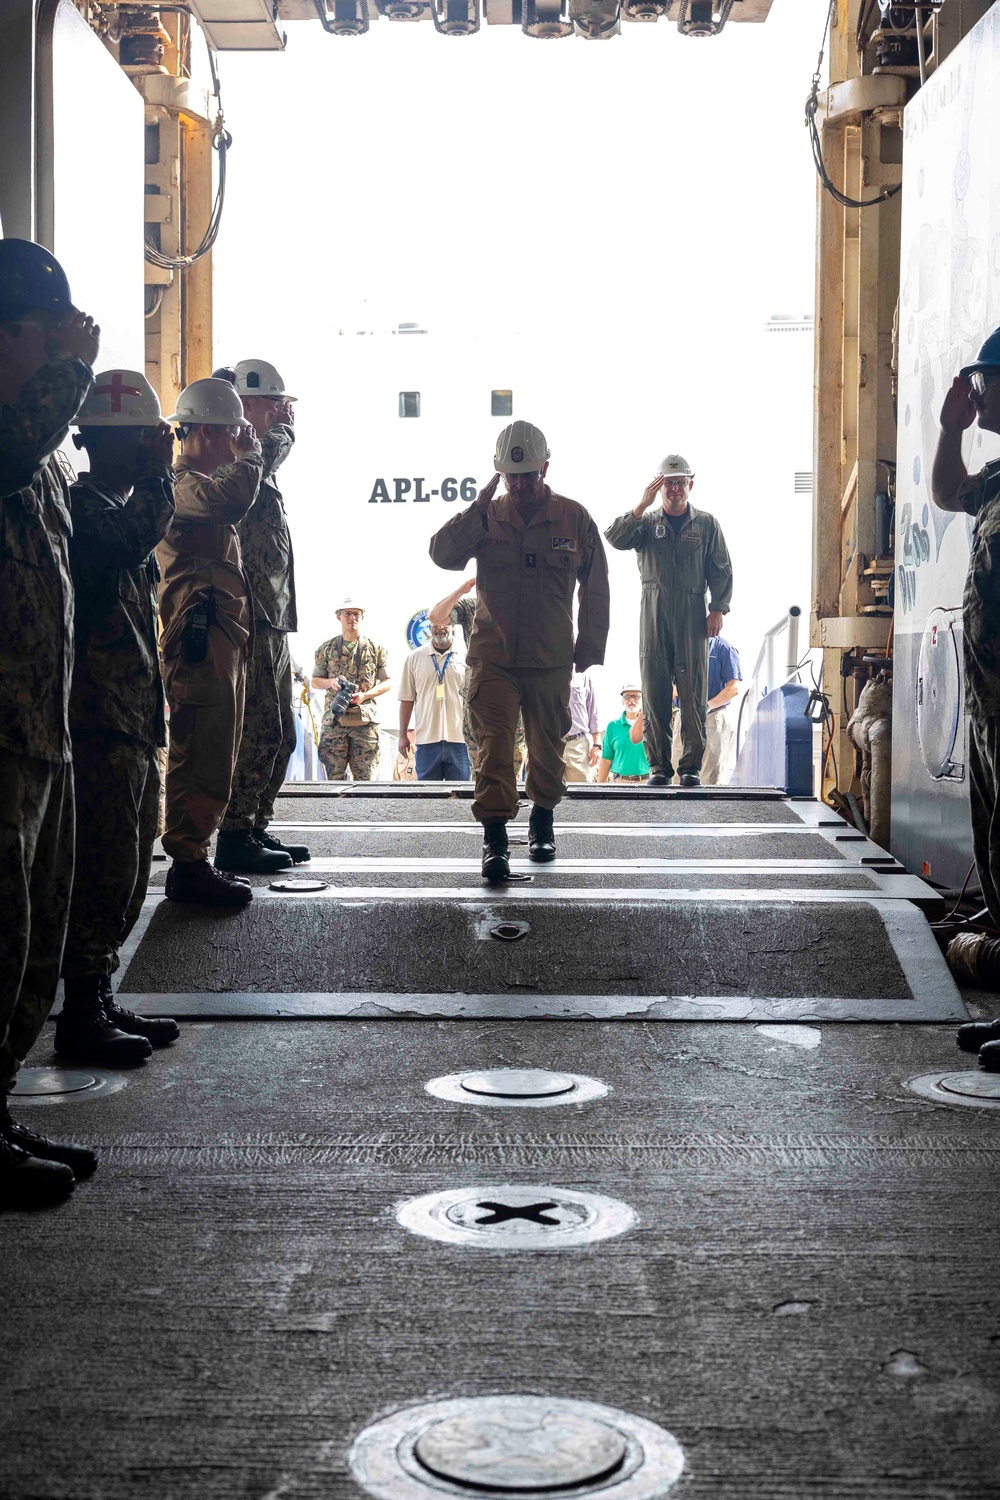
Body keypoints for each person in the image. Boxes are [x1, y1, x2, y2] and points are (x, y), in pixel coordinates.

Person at [0, 240, 100, 1207]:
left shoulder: (38, 459)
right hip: (2, 737)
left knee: (31, 937)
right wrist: (73, 372)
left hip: (43, 732)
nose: (53, 356)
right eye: (40, 337)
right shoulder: (11, 443)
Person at [55, 370, 180, 1066]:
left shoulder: (114, 502)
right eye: (145, 440)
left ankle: (99, 994)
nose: (155, 449)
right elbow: (132, 540)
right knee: (102, 866)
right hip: (97, 722)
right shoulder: (87, 510)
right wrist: (163, 477)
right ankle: (80, 1012)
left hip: (130, 716)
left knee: (131, 865)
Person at [429, 420, 610, 882]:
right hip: (494, 658)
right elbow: (441, 555)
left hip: (550, 659)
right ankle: (494, 841)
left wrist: (589, 645)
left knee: (549, 751)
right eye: (513, 477)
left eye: (529, 476)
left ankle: (542, 822)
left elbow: (596, 586)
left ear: (545, 468)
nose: (522, 485)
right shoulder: (486, 516)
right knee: (492, 750)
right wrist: (475, 510)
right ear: (499, 474)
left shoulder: (574, 517)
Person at [157, 377, 264, 906]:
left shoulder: (200, 483)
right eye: (227, 432)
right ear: (199, 431)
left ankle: (195, 854)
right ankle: (187, 861)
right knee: (198, 746)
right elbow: (233, 500)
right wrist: (252, 458)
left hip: (219, 632)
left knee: (217, 744)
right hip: (198, 636)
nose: (235, 442)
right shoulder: (183, 486)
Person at [930, 324, 1000, 1065]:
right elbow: (948, 491)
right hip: (988, 708)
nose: (977, 391)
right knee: (995, 849)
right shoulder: (999, 477)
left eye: (986, 381)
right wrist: (951, 429)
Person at [213, 360, 309, 873]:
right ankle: (235, 835)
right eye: (273, 401)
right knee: (260, 730)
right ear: (245, 404)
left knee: (283, 732)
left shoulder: (256, 455)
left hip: (271, 615)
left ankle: (255, 824)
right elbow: (270, 451)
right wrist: (283, 428)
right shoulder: (238, 450)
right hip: (249, 615)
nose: (281, 410)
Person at [605, 454, 733, 787]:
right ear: (659, 485)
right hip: (653, 611)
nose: (674, 489)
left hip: (693, 613)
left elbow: (721, 569)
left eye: (680, 482)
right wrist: (640, 504)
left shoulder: (706, 524)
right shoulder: (645, 523)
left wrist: (717, 608)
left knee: (692, 693)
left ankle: (689, 767)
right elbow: (615, 538)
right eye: (668, 483)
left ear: (690, 484)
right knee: (654, 690)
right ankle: (659, 767)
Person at [428, 578, 528, 777]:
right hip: (478, 687)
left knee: (512, 756)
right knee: (479, 755)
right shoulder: (471, 607)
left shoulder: (521, 606)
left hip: (512, 689)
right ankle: (483, 800)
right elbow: (436, 617)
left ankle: (508, 801)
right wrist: (461, 590)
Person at [312, 599, 390, 780]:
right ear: (339, 616)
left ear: (362, 617)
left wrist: (365, 695)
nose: (352, 618)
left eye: (356, 614)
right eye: (347, 613)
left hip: (365, 721)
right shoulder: (326, 649)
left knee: (365, 780)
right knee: (333, 778)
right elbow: (315, 681)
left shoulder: (375, 649)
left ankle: (365, 809)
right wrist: (331, 682)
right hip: (335, 721)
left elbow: (387, 682)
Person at [398, 619, 470, 781]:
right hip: (426, 741)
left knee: (460, 796)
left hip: (460, 739)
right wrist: (403, 735)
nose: (440, 628)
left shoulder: (467, 655)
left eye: (444, 623)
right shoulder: (414, 658)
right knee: (427, 797)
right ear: (429, 627)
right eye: (435, 624)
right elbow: (406, 699)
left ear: (452, 626)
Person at [597, 685, 650, 783]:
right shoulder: (612, 726)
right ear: (622, 700)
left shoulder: (651, 725)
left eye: (636, 696)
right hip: (620, 782)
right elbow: (606, 759)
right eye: (627, 697)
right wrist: (599, 787)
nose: (631, 700)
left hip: (646, 782)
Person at [564, 670, 601, 782]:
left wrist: (597, 745)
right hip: (551, 744)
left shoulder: (584, 677)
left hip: (577, 745)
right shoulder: (545, 674)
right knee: (549, 793)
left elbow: (593, 712)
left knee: (581, 791)